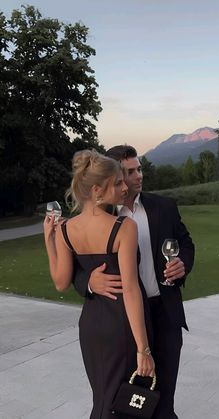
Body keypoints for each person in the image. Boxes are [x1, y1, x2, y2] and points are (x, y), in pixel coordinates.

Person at [73, 145, 195, 419]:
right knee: (126, 403)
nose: (138, 175)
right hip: (123, 326)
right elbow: (75, 271)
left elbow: (186, 243)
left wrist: (183, 264)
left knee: (164, 398)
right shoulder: (100, 216)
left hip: (164, 313)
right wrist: (89, 282)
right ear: (112, 177)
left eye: (139, 168)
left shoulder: (164, 206)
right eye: (129, 172)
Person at [43, 149, 155, 419]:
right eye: (117, 182)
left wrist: (49, 240)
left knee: (104, 396)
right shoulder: (124, 227)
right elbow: (130, 289)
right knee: (123, 405)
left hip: (91, 327)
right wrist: (144, 348)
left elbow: (60, 283)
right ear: (96, 190)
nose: (124, 186)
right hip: (122, 328)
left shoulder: (67, 229)